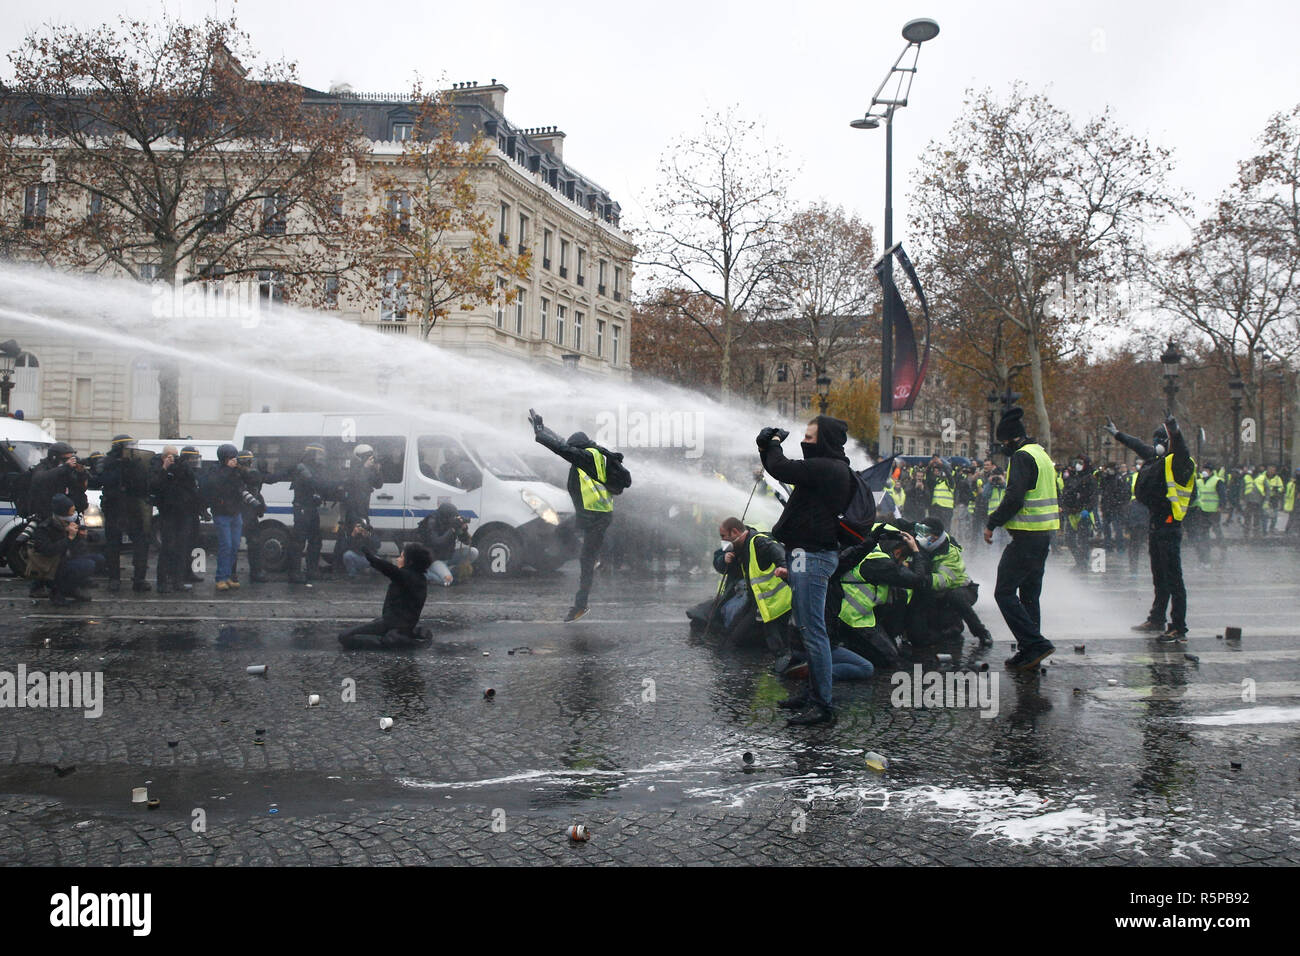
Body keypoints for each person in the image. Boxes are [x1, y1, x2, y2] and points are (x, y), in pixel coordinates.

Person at [757, 415, 853, 727]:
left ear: (824, 440)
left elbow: (781, 467)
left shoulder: (829, 467)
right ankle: (811, 694)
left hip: (813, 557)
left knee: (814, 633)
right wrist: (766, 448)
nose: (804, 442)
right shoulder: (825, 467)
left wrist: (772, 444)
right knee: (806, 630)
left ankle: (823, 705)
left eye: (810, 437)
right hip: (803, 555)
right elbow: (779, 469)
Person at [530, 409, 629, 622]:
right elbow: (564, 443)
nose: (572, 455)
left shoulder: (587, 457)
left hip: (595, 517)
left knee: (585, 560)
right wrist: (543, 429)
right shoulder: (594, 453)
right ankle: (588, 554)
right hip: (592, 516)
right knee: (563, 530)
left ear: (579, 449)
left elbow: (563, 449)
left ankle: (580, 605)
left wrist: (540, 435)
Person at [1107, 415, 1195, 642]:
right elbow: (1137, 444)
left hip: (1169, 524)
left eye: (1160, 440)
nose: (1155, 444)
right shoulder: (1158, 459)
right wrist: (1118, 435)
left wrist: (1175, 431)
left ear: (1168, 443)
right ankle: (1156, 618)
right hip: (1156, 523)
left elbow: (1181, 447)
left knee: (1174, 578)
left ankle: (1178, 626)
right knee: (1159, 575)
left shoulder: (1179, 461)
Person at [983, 407, 1059, 671]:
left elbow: (1014, 497)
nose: (1004, 447)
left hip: (1026, 537)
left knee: (1004, 592)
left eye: (1004, 443)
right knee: (1029, 595)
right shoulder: (1041, 455)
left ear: (1012, 439)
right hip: (1043, 536)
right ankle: (1031, 651)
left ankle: (1035, 643)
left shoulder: (1021, 457)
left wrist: (993, 522)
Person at [822, 524, 931, 674]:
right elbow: (918, 580)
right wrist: (916, 551)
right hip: (853, 619)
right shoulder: (879, 562)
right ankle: (826, 661)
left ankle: (843, 649)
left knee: (892, 652)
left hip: (843, 614)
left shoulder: (862, 549)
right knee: (890, 660)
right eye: (902, 557)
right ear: (897, 550)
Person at [908, 515, 994, 646]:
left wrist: (919, 579)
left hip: (960, 589)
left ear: (935, 537)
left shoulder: (950, 552)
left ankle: (981, 632)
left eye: (925, 534)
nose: (921, 538)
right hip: (935, 592)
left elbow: (943, 581)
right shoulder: (918, 546)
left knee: (956, 596)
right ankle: (951, 624)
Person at [717, 516, 792, 664]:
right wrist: (724, 559)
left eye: (724, 536)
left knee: (778, 644)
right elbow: (720, 563)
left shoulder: (758, 541)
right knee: (732, 637)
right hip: (759, 604)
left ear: (734, 532)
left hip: (776, 604)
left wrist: (783, 566)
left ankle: (785, 668)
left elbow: (776, 550)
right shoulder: (741, 547)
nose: (723, 540)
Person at [337, 542, 434, 649]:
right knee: (374, 623)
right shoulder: (415, 577)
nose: (398, 559)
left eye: (401, 557)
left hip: (393, 624)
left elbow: (389, 569)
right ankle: (402, 636)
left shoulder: (408, 576)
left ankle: (393, 641)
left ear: (410, 562)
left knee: (345, 637)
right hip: (397, 623)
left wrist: (370, 557)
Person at [98, 434, 153, 593]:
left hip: (133, 509)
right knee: (113, 545)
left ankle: (139, 579)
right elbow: (104, 481)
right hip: (114, 508)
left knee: (141, 543)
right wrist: (118, 466)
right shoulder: (108, 463)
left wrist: (131, 466)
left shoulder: (136, 463)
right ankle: (114, 579)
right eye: (128, 447)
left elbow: (143, 485)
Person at [30, 494, 105, 605]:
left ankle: (71, 588)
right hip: (52, 564)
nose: (73, 515)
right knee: (86, 565)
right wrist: (69, 538)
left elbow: (87, 541)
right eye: (71, 512)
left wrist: (85, 535)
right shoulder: (46, 528)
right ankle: (58, 590)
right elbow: (48, 550)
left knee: (98, 559)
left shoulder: (70, 523)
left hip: (68, 558)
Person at [206, 443, 258, 592]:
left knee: (234, 546)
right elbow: (216, 484)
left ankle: (228, 576)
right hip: (222, 513)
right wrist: (229, 469)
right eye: (231, 458)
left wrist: (241, 469)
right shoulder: (215, 470)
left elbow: (248, 482)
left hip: (235, 512)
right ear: (224, 459)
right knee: (226, 546)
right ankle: (221, 578)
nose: (233, 461)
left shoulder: (236, 472)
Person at [150, 445, 201, 594]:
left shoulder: (181, 468)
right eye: (170, 456)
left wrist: (183, 466)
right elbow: (154, 485)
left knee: (181, 547)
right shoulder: (157, 468)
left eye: (175, 456)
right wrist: (165, 468)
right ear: (163, 456)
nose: (173, 458)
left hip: (183, 512)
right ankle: (162, 582)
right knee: (167, 547)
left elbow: (191, 485)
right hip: (167, 513)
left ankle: (178, 580)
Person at [286, 443, 335, 586]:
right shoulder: (303, 468)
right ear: (312, 454)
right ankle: (294, 573)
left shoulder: (314, 468)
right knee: (298, 541)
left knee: (315, 539)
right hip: (302, 508)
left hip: (311, 508)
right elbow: (317, 483)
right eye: (319, 454)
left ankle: (312, 570)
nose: (321, 457)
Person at [334, 444, 384, 571]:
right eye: (368, 456)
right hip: (352, 509)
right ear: (360, 457)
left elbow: (378, 484)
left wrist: (377, 470)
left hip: (363, 508)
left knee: (365, 534)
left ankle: (361, 562)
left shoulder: (368, 470)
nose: (370, 459)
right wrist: (365, 468)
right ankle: (339, 565)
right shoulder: (354, 469)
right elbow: (356, 481)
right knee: (347, 536)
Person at [417, 501, 480, 586]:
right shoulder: (432, 522)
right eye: (452, 516)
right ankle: (424, 574)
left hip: (448, 556)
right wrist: (452, 530)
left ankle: (447, 572)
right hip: (434, 559)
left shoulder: (451, 523)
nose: (453, 518)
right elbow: (437, 542)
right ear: (445, 516)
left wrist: (463, 529)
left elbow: (467, 541)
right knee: (447, 581)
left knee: (473, 552)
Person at [236, 450, 270, 584]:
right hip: (239, 512)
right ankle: (231, 574)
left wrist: (261, 505)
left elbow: (256, 492)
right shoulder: (236, 475)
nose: (248, 465)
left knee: (255, 543)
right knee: (233, 545)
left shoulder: (253, 475)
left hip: (250, 513)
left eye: (249, 462)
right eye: (246, 462)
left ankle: (256, 571)